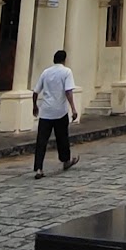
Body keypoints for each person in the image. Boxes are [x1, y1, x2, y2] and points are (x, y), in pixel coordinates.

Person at [32, 49, 80, 178]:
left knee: (41, 141)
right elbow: (68, 92)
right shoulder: (66, 72)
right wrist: (73, 109)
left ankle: (39, 168)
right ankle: (65, 161)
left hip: (46, 112)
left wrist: (34, 106)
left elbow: (36, 91)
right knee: (62, 138)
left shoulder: (46, 72)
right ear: (64, 60)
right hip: (60, 111)